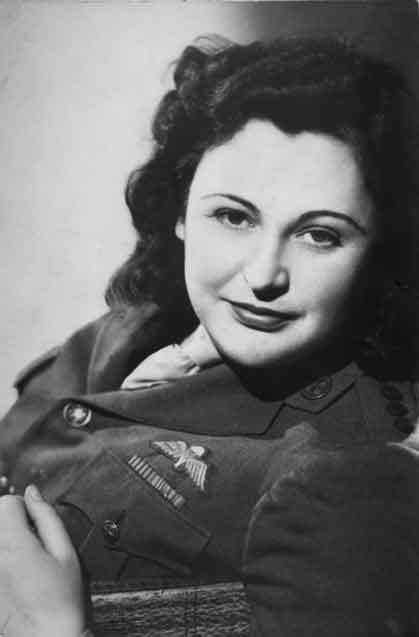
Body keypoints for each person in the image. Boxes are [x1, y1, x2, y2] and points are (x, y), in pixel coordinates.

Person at [1, 34, 419, 636]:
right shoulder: (128, 332)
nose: (262, 276)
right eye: (233, 216)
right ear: (179, 211)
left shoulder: (353, 481)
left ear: (380, 253)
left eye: (320, 235)